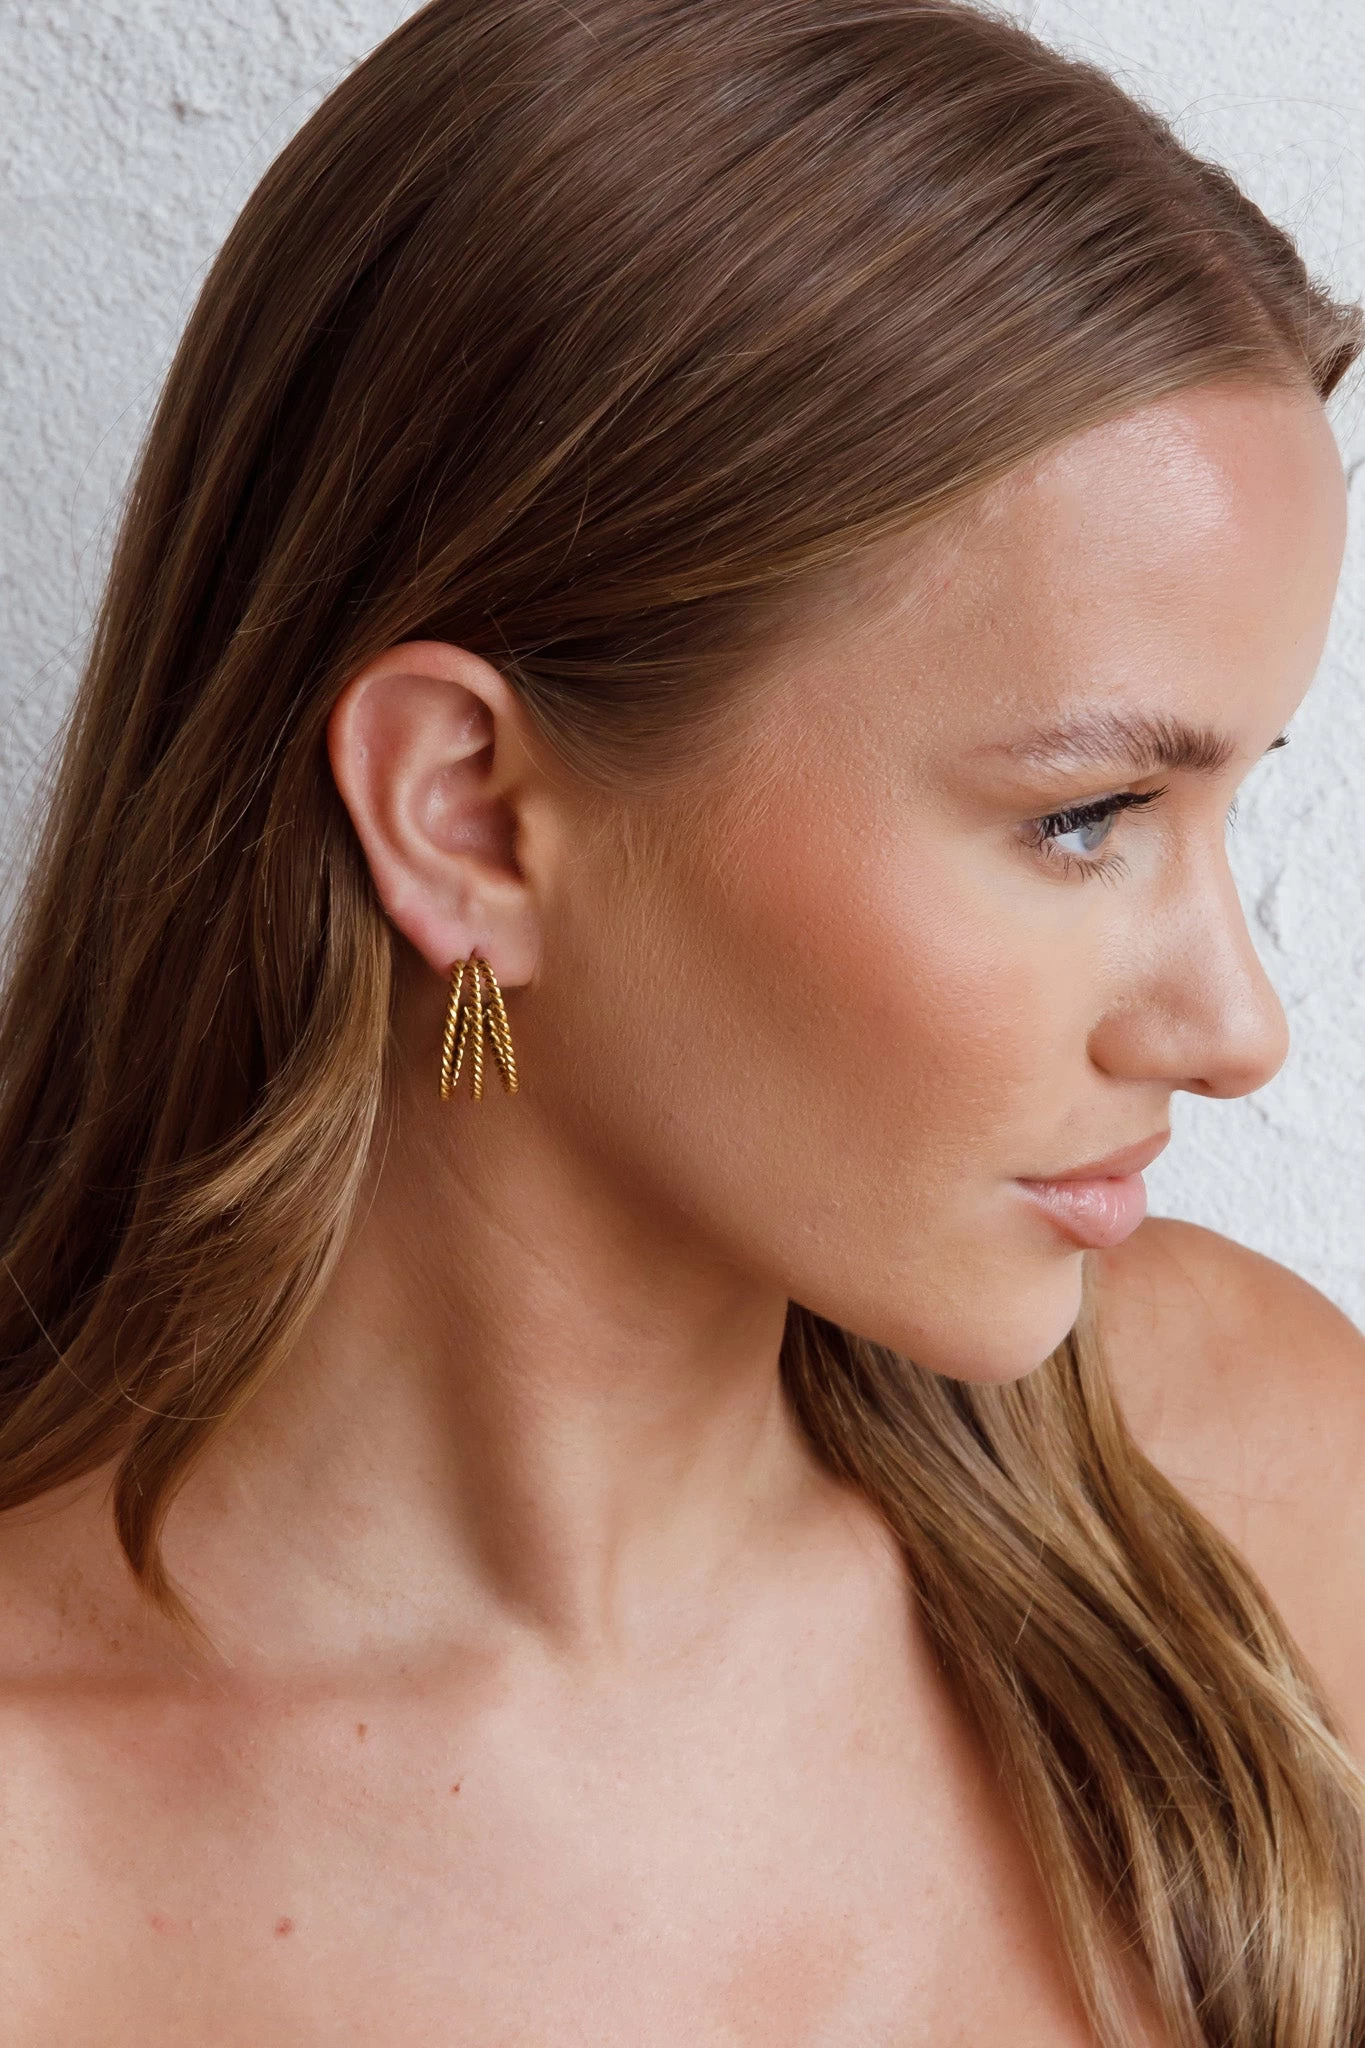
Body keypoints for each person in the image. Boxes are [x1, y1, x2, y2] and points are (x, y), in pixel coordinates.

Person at [1, 1, 1363, 2041]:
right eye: (1084, 817)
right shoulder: (43, 1872)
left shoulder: (1254, 1486)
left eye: (1228, 801)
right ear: (469, 814)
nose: (1237, 1029)